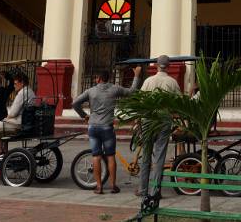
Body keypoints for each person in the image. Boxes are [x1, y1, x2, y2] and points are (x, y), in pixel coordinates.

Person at [72, 66, 144, 194]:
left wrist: (84, 116)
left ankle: (99, 187)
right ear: (108, 78)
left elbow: (75, 103)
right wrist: (137, 75)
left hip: (93, 127)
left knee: (96, 156)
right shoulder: (114, 89)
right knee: (110, 156)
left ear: (98, 79)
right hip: (107, 128)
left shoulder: (90, 91)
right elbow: (132, 91)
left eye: (96, 77)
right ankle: (112, 186)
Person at [136, 55, 181, 198]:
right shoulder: (172, 82)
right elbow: (179, 102)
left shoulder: (148, 81)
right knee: (160, 156)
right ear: (168, 66)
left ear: (156, 65)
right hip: (164, 119)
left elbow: (140, 101)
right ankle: (155, 191)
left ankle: (143, 189)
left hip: (148, 120)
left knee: (146, 156)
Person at [0, 72, 35, 179]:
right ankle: (3, 149)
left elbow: (13, 113)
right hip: (27, 121)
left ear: (22, 83)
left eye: (16, 83)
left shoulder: (22, 93)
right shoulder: (30, 92)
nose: (14, 85)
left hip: (19, 123)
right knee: (1, 125)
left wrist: (7, 118)